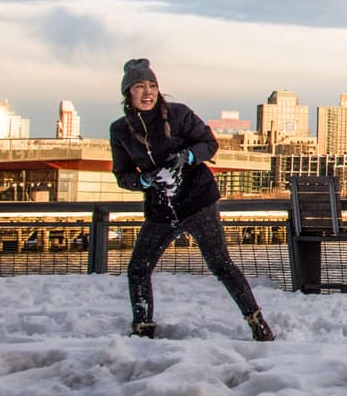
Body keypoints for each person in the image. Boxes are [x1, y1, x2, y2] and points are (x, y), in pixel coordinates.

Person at [109, 58, 275, 341]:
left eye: (152, 86)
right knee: (138, 268)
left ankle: (257, 322)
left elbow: (209, 143)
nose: (148, 92)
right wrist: (145, 181)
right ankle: (143, 328)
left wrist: (187, 156)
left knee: (221, 264)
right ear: (128, 94)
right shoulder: (120, 131)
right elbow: (123, 175)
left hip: (197, 202)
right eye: (140, 86)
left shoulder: (178, 114)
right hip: (161, 210)